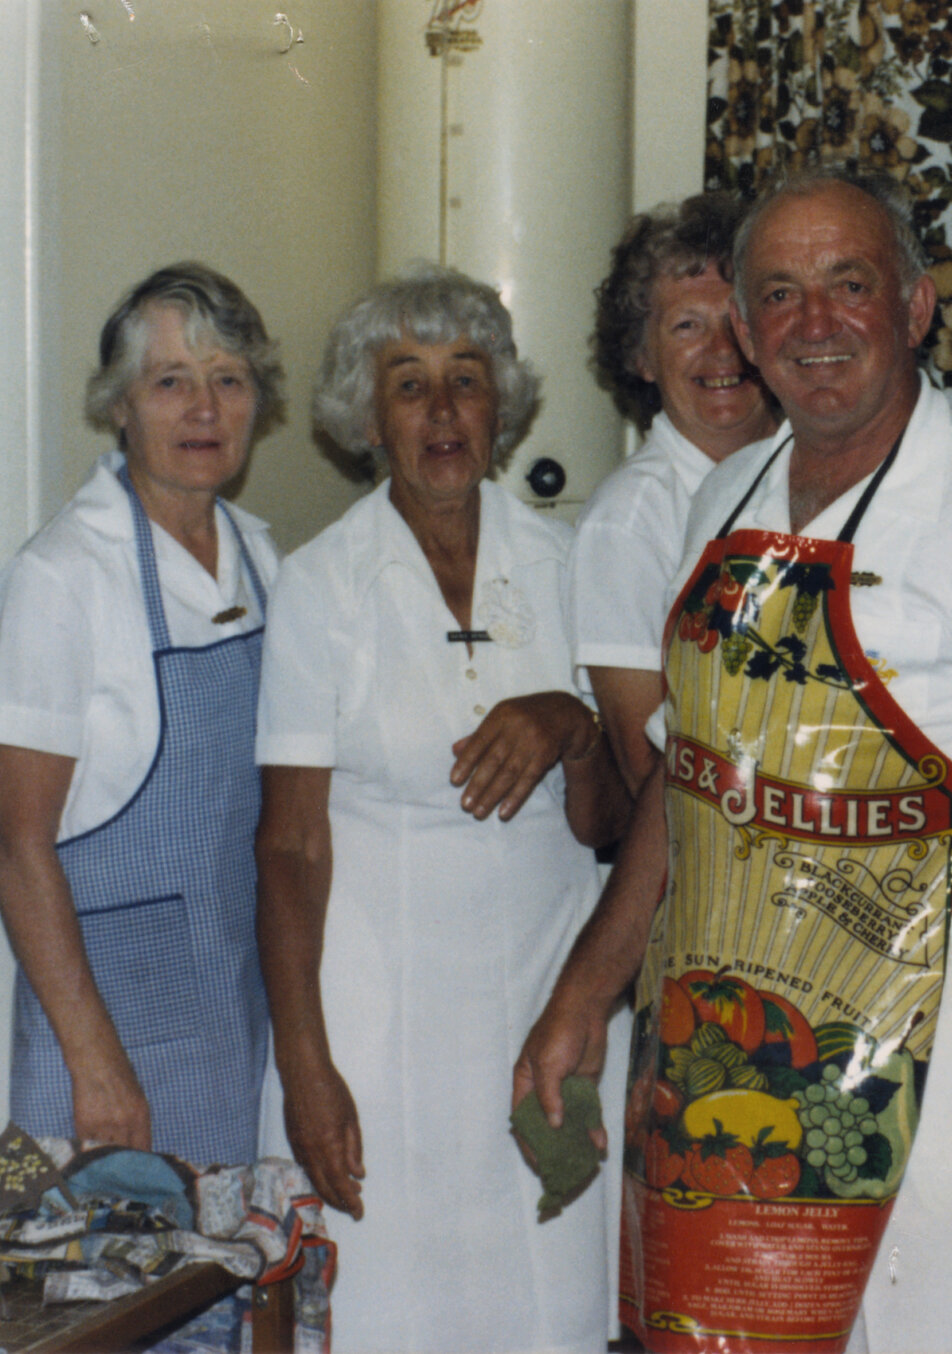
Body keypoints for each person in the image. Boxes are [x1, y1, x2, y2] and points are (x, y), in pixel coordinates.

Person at [516, 165, 952, 1354]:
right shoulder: (726, 496)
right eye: (780, 295)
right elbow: (686, 780)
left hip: (934, 1005)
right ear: (750, 335)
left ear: (913, 308)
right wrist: (584, 990)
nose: (816, 323)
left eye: (848, 285)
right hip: (724, 1022)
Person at [255, 265, 630, 1353]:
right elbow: (288, 848)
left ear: (500, 405)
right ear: (366, 418)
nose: (441, 410)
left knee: (546, 1309)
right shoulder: (322, 587)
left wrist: (572, 722)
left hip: (543, 1022)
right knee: (387, 1316)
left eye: (465, 380)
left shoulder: (572, 565)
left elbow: (611, 824)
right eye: (407, 384)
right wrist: (306, 1067)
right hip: (378, 1033)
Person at [0, 263, 282, 1166]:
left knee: (240, 1292)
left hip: (237, 1019)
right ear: (120, 404)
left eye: (227, 381)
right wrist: (96, 1062)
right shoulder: (61, 577)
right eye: (171, 382)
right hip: (102, 1051)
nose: (203, 409)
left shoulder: (265, 559)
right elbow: (16, 846)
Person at [571, 193, 779, 793]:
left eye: (738, 319)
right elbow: (645, 769)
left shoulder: (818, 476)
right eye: (687, 325)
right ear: (641, 356)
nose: (722, 350)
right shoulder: (628, 520)